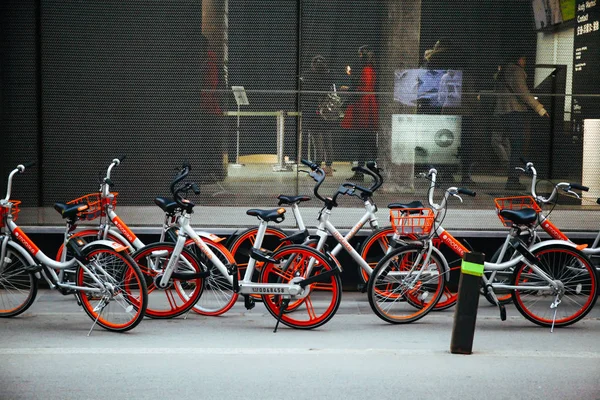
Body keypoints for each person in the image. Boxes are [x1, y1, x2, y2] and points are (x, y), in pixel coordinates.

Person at [494, 53, 549, 190]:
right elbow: (523, 93)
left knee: (511, 145)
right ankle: (513, 180)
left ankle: (512, 178)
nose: (525, 61)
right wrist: (540, 109)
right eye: (524, 58)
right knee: (517, 146)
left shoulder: (503, 71)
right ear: (519, 59)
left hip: (502, 112)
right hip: (514, 111)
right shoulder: (516, 71)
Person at [341, 45, 379, 181]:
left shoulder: (367, 70)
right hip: (364, 105)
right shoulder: (368, 69)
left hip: (364, 107)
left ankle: (367, 170)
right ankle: (362, 171)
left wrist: (350, 90)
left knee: (365, 140)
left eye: (360, 54)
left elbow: (364, 88)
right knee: (365, 140)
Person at [302, 55, 337, 176]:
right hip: (327, 112)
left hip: (313, 112)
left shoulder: (308, 76)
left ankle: (317, 167)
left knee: (317, 140)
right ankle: (328, 167)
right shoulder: (329, 75)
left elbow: (304, 94)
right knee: (328, 139)